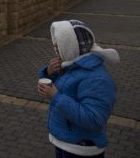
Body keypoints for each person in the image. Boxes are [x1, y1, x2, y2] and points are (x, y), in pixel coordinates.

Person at [38, 20, 119, 157]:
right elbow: (66, 89)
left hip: (80, 148)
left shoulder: (97, 79)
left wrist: (55, 96)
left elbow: (94, 120)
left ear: (71, 47)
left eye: (59, 47)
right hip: (65, 141)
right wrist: (49, 73)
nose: (56, 49)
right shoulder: (72, 64)